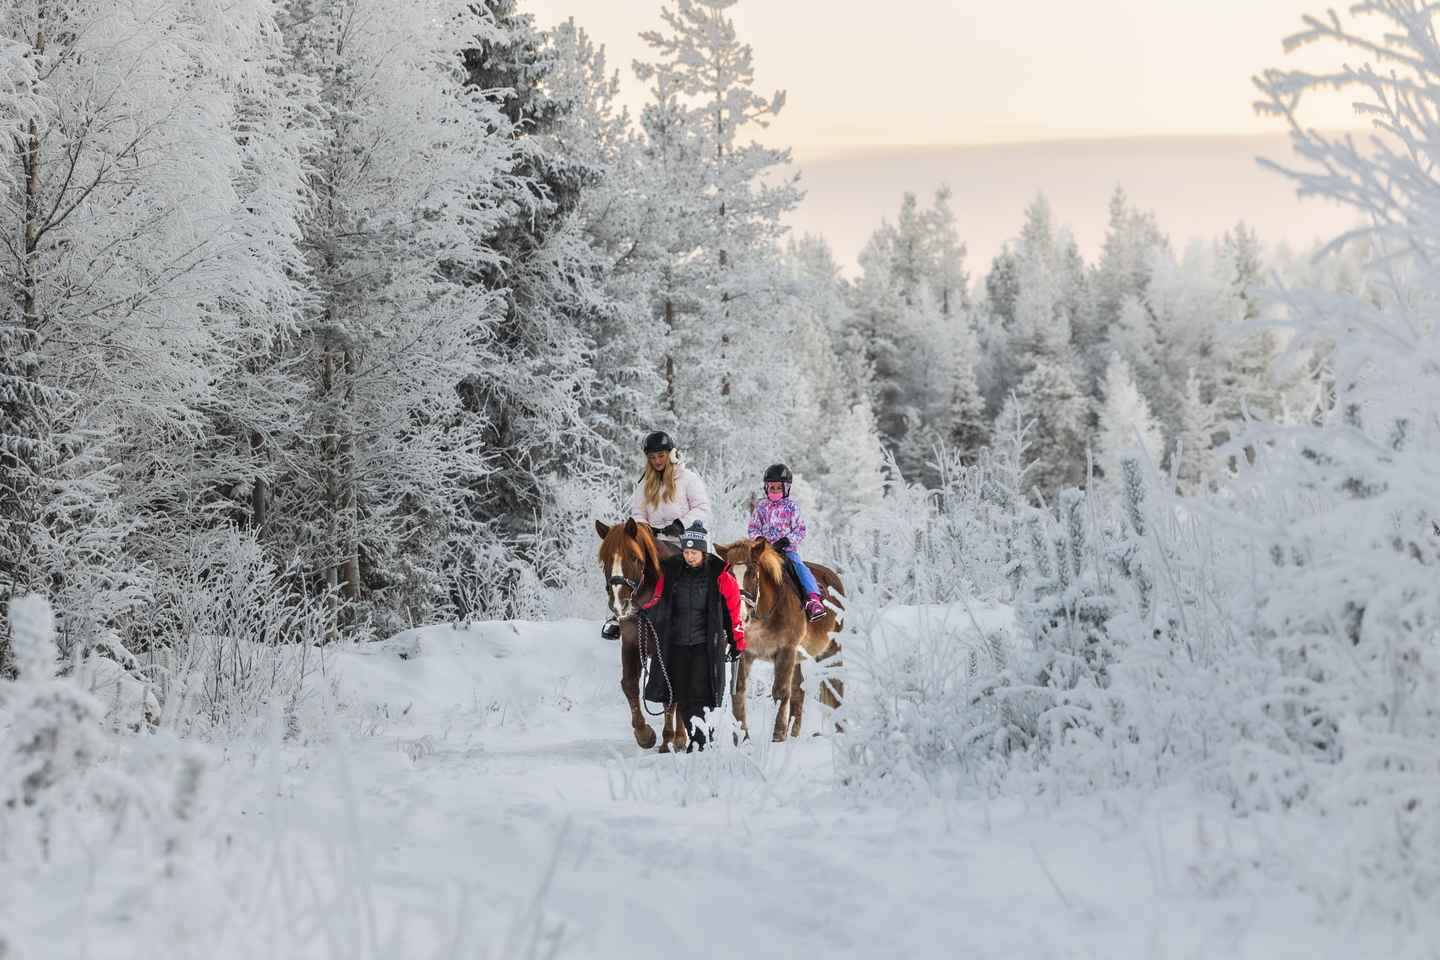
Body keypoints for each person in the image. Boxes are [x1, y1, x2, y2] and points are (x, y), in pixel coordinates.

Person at [638, 521, 744, 751]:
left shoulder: (719, 574)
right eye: (686, 552)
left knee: (700, 695)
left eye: (694, 552)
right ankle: (699, 741)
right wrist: (645, 610)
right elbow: (658, 598)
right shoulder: (671, 570)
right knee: (682, 695)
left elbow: (733, 610)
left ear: (703, 551)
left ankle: (701, 742)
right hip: (676, 645)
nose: (689, 557)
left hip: (704, 646)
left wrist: (737, 641)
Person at [601, 431, 712, 640]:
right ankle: (620, 611)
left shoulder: (688, 479)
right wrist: (644, 529)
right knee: (627, 562)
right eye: (652, 457)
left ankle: (701, 617)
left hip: (684, 540)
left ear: (671, 454)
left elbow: (703, 508)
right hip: (653, 541)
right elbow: (637, 514)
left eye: (661, 456)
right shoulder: (644, 484)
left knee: (689, 571)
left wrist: (681, 524)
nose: (657, 461)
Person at [747, 463, 826, 622]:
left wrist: (787, 540)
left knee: (799, 567)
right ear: (766, 487)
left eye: (778, 487)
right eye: (772, 487)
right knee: (748, 568)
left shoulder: (792, 507)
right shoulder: (761, 507)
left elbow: (800, 530)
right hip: (765, 551)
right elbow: (753, 528)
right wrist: (759, 539)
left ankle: (812, 599)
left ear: (786, 488)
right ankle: (743, 600)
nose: (775, 490)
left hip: (787, 551)